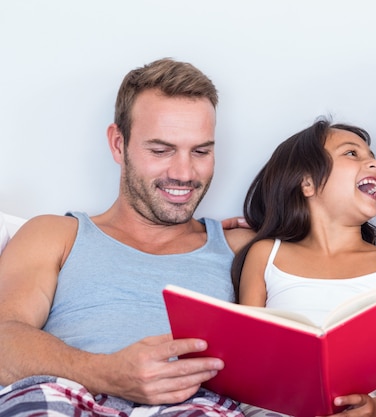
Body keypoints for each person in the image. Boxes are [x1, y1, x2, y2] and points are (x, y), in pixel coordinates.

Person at [0, 58, 253, 416]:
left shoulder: (241, 248)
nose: (184, 173)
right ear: (119, 144)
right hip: (66, 396)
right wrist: (108, 373)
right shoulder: (55, 235)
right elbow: (3, 338)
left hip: (192, 406)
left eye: (201, 151)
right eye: (161, 150)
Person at [231, 118, 376, 417]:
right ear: (307, 182)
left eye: (373, 159)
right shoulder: (266, 255)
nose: (374, 164)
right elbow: (250, 353)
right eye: (352, 153)